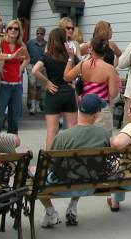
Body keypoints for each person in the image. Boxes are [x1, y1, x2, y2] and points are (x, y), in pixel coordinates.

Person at [39, 94, 111, 228]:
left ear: (79, 110)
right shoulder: (104, 135)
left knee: (36, 177)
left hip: (62, 186)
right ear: (95, 115)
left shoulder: (63, 137)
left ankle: (50, 212)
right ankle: (73, 205)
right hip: (91, 184)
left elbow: (52, 165)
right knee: (83, 168)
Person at [32, 28, 79, 149]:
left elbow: (35, 70)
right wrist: (75, 82)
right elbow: (82, 67)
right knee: (73, 130)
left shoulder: (47, 56)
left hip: (53, 92)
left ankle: (49, 162)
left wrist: (47, 82)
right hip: (68, 92)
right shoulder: (70, 55)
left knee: (52, 131)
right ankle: (72, 159)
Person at [65, 36, 118, 134]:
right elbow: (113, 93)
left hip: (85, 107)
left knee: (85, 140)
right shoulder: (109, 68)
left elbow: (67, 77)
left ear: (91, 49)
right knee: (103, 141)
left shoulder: (83, 64)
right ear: (105, 51)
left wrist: (70, 58)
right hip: (101, 109)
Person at [0, 19, 29, 135]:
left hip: (17, 85)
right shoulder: (1, 43)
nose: (13, 30)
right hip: (3, 85)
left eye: (16, 28)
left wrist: (21, 69)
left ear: (19, 31)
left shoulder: (21, 45)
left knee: (14, 119)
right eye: (10, 28)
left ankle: (11, 148)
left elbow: (27, 59)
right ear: (6, 30)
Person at [25, 26, 47, 114]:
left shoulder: (47, 44)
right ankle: (32, 105)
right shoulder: (30, 43)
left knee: (39, 87)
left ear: (44, 34)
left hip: (42, 66)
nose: (39, 35)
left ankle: (37, 105)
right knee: (32, 85)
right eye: (37, 33)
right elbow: (25, 53)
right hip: (32, 65)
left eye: (41, 33)